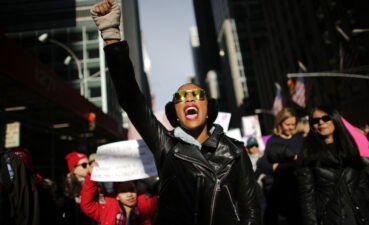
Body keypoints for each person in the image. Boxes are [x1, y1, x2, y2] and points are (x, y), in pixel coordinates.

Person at [90, 1, 261, 224]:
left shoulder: (235, 151)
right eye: (181, 97)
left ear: (208, 108)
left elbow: (251, 212)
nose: (189, 98)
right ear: (176, 113)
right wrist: (111, 34)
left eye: (197, 95)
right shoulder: (167, 147)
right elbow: (132, 100)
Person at [297, 106, 369, 225]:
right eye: (315, 121)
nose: (321, 123)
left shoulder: (349, 146)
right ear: (312, 126)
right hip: (332, 219)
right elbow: (307, 196)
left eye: (326, 118)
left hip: (360, 215)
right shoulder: (307, 153)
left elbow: (363, 185)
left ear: (335, 119)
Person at [261, 108, 303, 225]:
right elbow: (264, 165)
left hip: (302, 187)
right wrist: (289, 164)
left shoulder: (300, 138)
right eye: (287, 124)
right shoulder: (272, 141)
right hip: (284, 191)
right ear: (279, 123)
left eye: (293, 124)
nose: (290, 127)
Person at [80, 163, 158, 225]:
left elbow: (166, 199)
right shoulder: (106, 210)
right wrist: (91, 177)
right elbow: (87, 205)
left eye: (132, 189)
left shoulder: (146, 206)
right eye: (123, 191)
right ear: (117, 196)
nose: (129, 194)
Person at [63, 152, 92, 225]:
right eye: (84, 165)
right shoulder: (65, 187)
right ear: (74, 168)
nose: (88, 167)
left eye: (89, 164)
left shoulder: (92, 182)